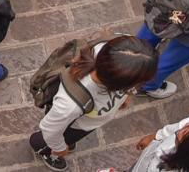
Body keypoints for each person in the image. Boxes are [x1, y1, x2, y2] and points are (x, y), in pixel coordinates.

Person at [30, 36, 159, 171]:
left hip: (87, 120)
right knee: (44, 142)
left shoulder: (118, 53)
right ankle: (46, 152)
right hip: (76, 124)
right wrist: (59, 148)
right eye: (138, 83)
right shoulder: (70, 105)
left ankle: (65, 141)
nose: (137, 86)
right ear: (117, 84)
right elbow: (49, 129)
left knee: (68, 137)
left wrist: (127, 95)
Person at [122, 115, 189, 172]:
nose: (186, 125)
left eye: (183, 134)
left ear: (184, 155)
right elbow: (173, 129)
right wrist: (155, 136)